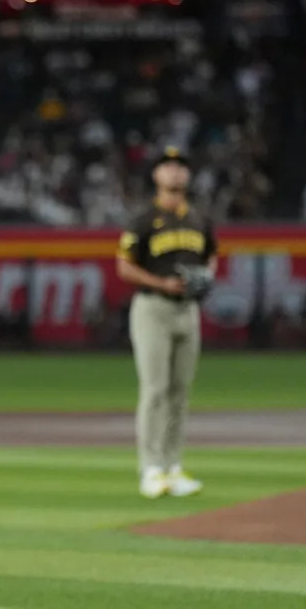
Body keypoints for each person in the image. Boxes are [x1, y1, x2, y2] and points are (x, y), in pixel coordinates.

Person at [116, 146, 218, 499]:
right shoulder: (144, 218)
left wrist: (206, 277)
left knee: (180, 392)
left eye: (180, 167)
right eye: (167, 166)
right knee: (155, 390)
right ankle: (151, 469)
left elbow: (211, 256)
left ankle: (172, 467)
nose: (175, 172)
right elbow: (124, 265)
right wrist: (162, 283)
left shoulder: (199, 218)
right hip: (153, 309)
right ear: (156, 176)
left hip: (187, 310)